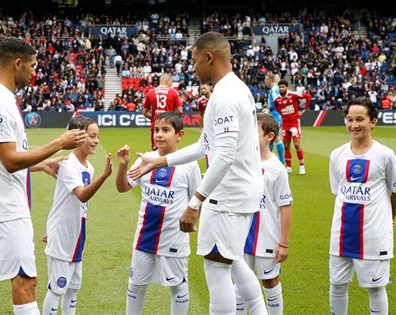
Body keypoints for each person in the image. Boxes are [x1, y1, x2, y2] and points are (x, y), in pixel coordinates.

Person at [129, 32, 267, 315]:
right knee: (235, 262)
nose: (192, 68)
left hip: (228, 196)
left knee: (216, 269)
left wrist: (195, 203)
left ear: (209, 57)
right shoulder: (235, 89)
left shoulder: (225, 95)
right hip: (243, 192)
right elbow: (206, 145)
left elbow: (225, 154)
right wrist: (159, 162)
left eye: (194, 61)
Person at [0, 38, 87, 315]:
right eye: (31, 66)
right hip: (6, 207)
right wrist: (59, 142)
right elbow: (9, 160)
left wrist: (44, 165)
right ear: (17, 64)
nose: (34, 72)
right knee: (25, 280)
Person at [116, 112, 201, 315]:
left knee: (178, 286)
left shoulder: (189, 165)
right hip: (144, 236)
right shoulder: (145, 159)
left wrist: (193, 220)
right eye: (156, 130)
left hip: (174, 238)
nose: (159, 135)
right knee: (136, 284)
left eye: (165, 130)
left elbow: (197, 200)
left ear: (179, 135)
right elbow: (123, 187)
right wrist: (123, 165)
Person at [328, 97, 396, 315]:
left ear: (373, 122)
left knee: (376, 288)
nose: (353, 125)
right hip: (341, 234)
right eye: (349, 119)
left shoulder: (385, 155)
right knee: (337, 286)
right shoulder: (337, 155)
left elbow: (395, 191)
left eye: (359, 119)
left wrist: (390, 218)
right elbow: (339, 191)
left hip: (373, 235)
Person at [43, 115, 112, 315]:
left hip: (77, 234)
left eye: (97, 136)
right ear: (78, 137)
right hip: (63, 234)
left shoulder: (88, 167)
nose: (96, 141)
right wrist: (104, 176)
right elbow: (81, 196)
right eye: (92, 136)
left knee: (73, 288)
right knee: (57, 288)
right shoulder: (68, 164)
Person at [233, 113, 292, 315]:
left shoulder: (277, 169)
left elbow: (285, 207)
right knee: (240, 282)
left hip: (267, 237)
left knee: (270, 281)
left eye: (253, 131)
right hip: (240, 235)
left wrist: (283, 243)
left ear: (269, 136)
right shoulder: (243, 161)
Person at [273, 79, 311, 175]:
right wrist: (282, 114)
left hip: (294, 123)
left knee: (297, 144)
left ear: (287, 87)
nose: (281, 89)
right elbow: (277, 108)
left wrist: (304, 110)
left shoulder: (293, 95)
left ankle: (302, 166)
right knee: (286, 146)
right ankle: (289, 167)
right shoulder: (277, 100)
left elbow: (308, 96)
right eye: (280, 87)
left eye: (283, 87)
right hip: (285, 124)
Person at [142, 73, 183, 150]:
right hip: (169, 126)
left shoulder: (150, 92)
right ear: (168, 81)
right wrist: (174, 119)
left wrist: (154, 117)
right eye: (171, 82)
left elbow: (144, 112)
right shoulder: (173, 92)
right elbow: (180, 111)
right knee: (169, 150)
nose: (171, 84)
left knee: (155, 150)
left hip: (156, 125)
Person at [265, 73, 285, 165]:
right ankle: (275, 161)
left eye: (266, 79)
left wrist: (268, 111)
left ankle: (280, 162)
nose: (265, 82)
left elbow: (277, 101)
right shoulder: (276, 88)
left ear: (270, 80)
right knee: (273, 137)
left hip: (275, 115)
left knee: (275, 138)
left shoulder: (273, 89)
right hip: (276, 114)